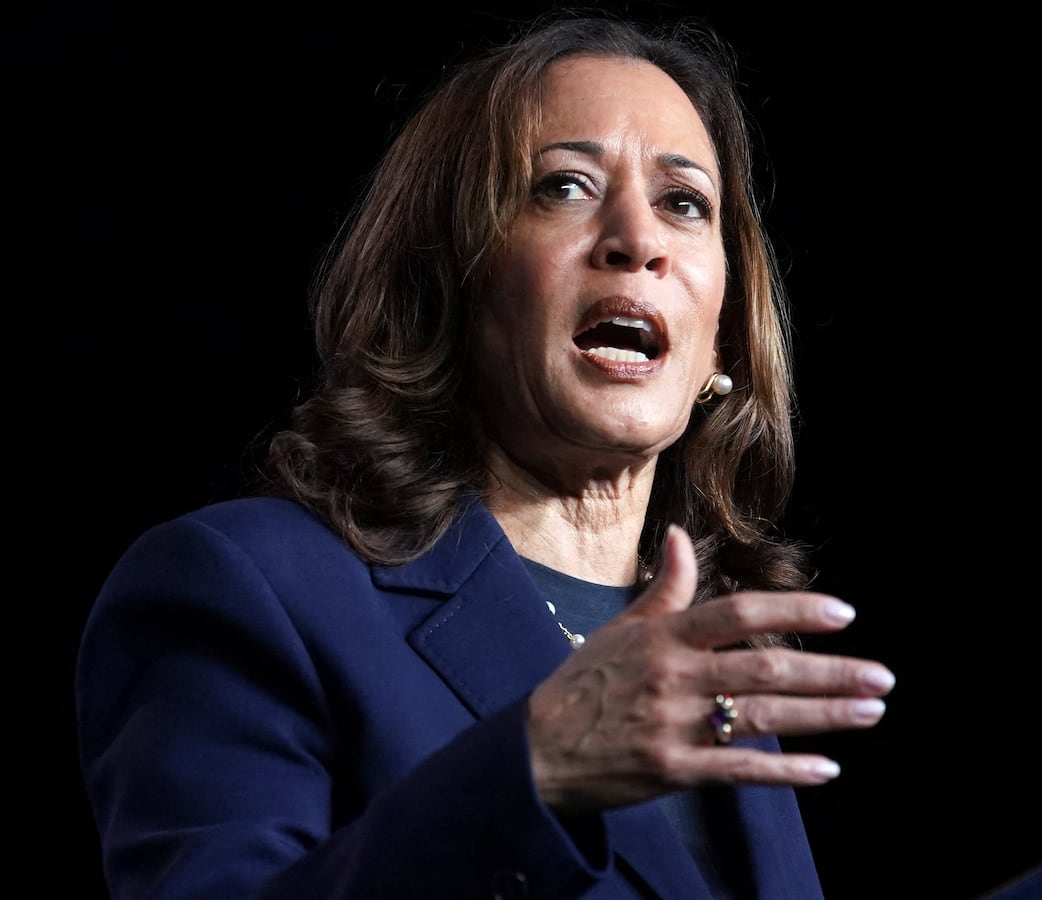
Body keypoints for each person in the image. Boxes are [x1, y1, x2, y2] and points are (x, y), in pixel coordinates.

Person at [74, 10, 896, 899]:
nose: (639, 239)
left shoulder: (713, 656)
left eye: (684, 203)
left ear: (723, 340)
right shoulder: (248, 586)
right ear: (443, 276)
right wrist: (530, 774)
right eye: (564, 188)